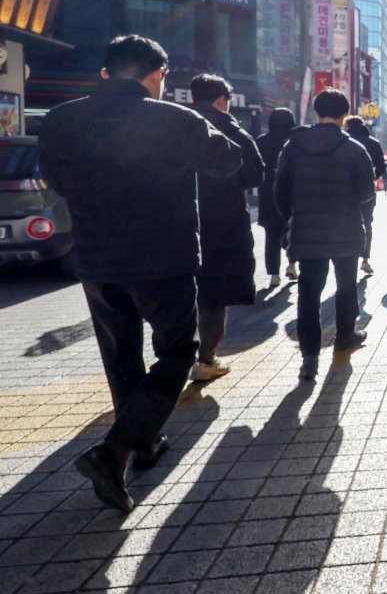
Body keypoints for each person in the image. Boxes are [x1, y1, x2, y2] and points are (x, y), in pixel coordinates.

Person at [37, 35, 242, 512]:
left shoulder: (63, 119)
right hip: (163, 258)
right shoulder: (175, 119)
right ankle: (115, 451)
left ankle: (143, 444)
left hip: (96, 259)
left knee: (121, 355)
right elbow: (227, 163)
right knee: (176, 353)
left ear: (106, 73)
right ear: (159, 74)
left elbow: (56, 180)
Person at [275, 90, 376, 380]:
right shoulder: (355, 148)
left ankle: (309, 356)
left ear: (316, 112)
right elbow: (367, 191)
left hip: (307, 230)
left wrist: (294, 217)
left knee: (309, 291)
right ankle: (346, 336)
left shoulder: (292, 146)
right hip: (345, 227)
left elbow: (280, 190)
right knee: (346, 285)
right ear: (345, 114)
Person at [189, 74, 264, 381]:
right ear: (221, 100)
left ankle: (174, 358)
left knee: (179, 292)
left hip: (177, 221)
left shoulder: (172, 126)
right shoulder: (235, 133)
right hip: (222, 222)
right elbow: (256, 175)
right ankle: (205, 359)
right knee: (213, 295)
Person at [255, 108, 300, 286]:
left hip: (268, 193)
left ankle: (274, 274)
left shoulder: (261, 141)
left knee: (271, 235)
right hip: (292, 192)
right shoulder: (295, 141)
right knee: (292, 232)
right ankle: (291, 265)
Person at [344, 116, 387, 275]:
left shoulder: (345, 141)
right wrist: (371, 178)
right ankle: (365, 260)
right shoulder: (373, 143)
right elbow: (382, 167)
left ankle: (349, 258)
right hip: (368, 189)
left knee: (345, 222)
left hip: (344, 190)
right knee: (367, 223)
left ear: (347, 125)